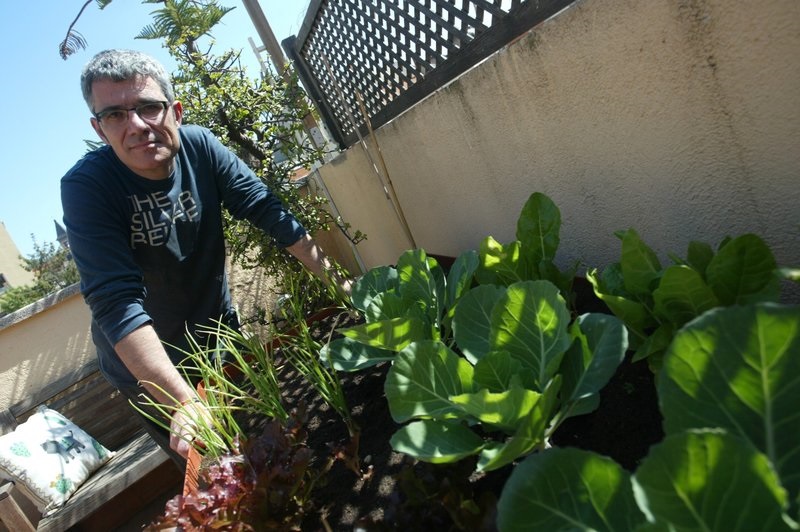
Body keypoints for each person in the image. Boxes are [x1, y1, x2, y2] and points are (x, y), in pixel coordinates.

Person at [61, 49, 351, 466]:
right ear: (100, 129)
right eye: (115, 115)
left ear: (175, 111)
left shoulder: (200, 148)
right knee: (217, 466)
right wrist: (183, 401)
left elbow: (266, 208)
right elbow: (115, 299)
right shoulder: (88, 187)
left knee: (263, 432)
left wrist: (338, 284)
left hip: (218, 330)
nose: (137, 126)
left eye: (148, 107)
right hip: (149, 366)